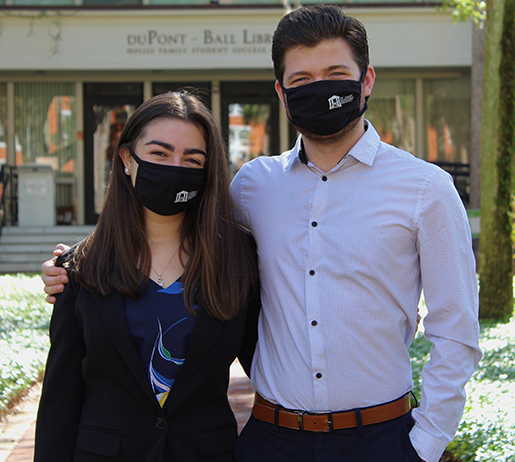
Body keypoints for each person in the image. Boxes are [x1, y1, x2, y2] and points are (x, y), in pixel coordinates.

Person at [42, 5, 482, 462]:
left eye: (335, 72)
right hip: (270, 439)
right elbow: (176, 228)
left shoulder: (425, 189)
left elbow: (456, 328)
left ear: (366, 79)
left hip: (380, 439)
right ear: (281, 91)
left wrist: (426, 442)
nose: (321, 88)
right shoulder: (253, 186)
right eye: (302, 80)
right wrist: (73, 266)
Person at [35, 91, 260, 462]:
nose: (175, 166)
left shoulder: (239, 258)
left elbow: (270, 368)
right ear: (126, 158)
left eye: (192, 159)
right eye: (159, 153)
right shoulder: (80, 268)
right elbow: (61, 399)